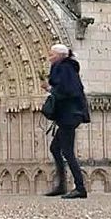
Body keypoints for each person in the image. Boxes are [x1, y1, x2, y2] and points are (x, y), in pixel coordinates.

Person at [41, 43, 90, 199]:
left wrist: (49, 89)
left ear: (61, 55)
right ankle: (61, 186)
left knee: (67, 151)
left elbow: (68, 92)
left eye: (52, 55)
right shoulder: (66, 68)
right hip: (68, 115)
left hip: (70, 115)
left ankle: (80, 188)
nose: (50, 58)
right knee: (55, 148)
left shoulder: (65, 68)